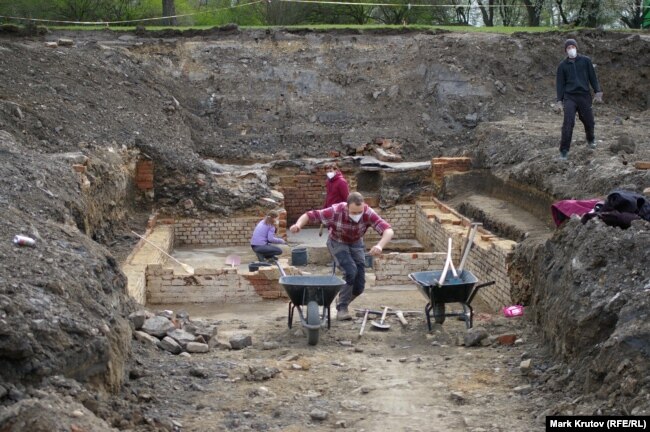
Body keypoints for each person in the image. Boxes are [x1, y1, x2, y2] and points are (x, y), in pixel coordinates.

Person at [289, 192, 394, 320]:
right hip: (337, 242)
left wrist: (380, 246)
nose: (357, 215)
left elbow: (388, 230)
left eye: (359, 212)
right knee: (350, 271)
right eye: (354, 212)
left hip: (356, 243)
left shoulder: (367, 212)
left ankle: (341, 301)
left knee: (359, 286)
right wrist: (298, 225)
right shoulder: (335, 211)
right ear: (346, 207)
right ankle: (342, 308)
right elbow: (310, 215)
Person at [555, 38, 603, 160]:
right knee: (568, 123)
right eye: (568, 48)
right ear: (565, 50)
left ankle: (591, 139)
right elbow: (560, 85)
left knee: (589, 121)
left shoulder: (586, 61)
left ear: (576, 47)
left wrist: (598, 92)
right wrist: (559, 101)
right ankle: (564, 151)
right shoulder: (562, 66)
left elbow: (593, 77)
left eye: (573, 47)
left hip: (584, 95)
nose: (571, 49)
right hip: (569, 97)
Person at [320, 162, 350, 236]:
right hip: (330, 209)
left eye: (330, 171)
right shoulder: (328, 182)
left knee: (337, 231)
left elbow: (346, 198)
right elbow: (329, 196)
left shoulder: (341, 182)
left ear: (336, 170)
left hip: (339, 211)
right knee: (331, 230)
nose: (328, 173)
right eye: (327, 171)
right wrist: (324, 208)